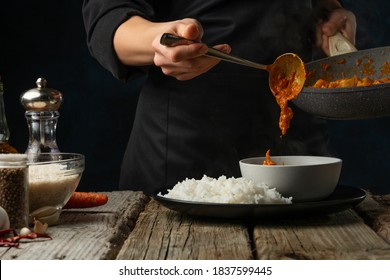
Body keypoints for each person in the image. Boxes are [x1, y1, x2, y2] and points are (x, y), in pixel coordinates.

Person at [82, 0, 356, 195]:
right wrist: (161, 40)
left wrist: (330, 11)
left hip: (299, 139)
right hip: (187, 150)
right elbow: (108, 18)